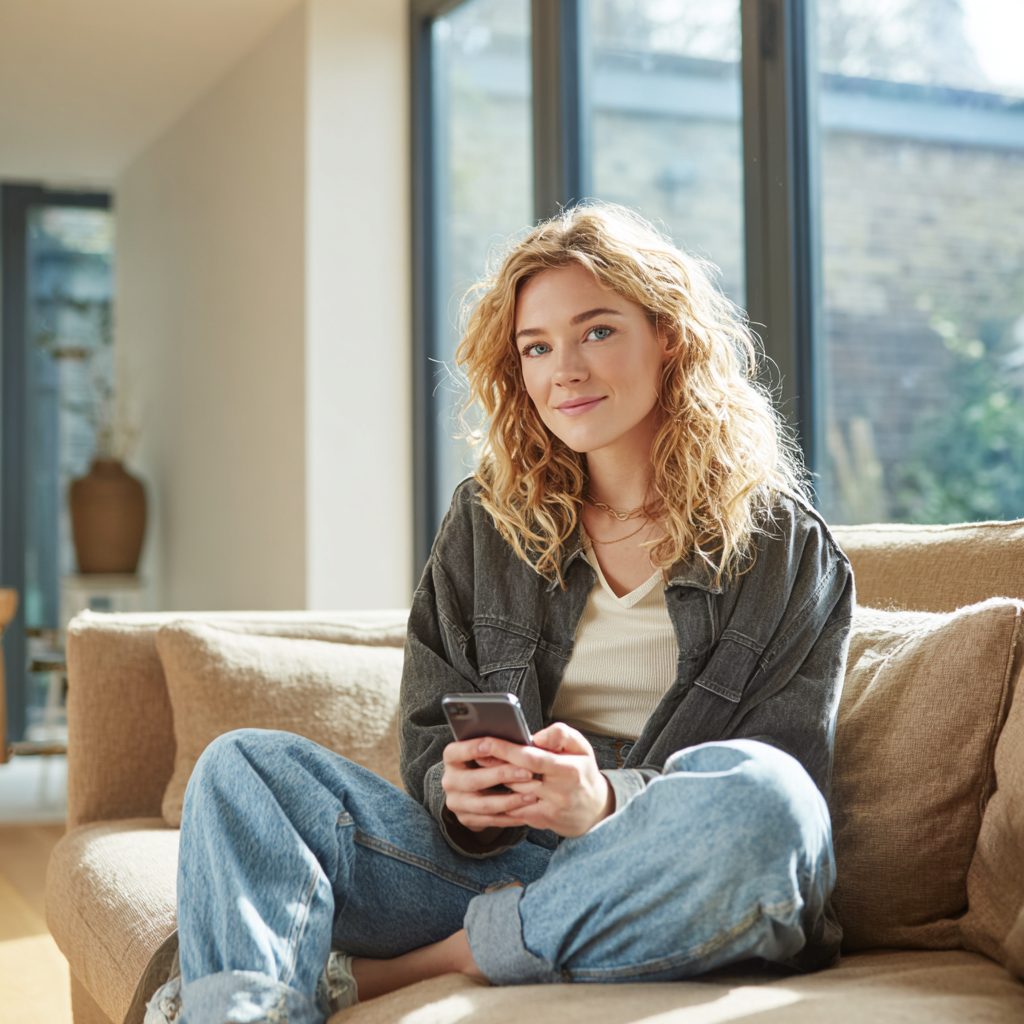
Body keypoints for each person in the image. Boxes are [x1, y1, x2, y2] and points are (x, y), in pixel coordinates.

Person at [146, 202, 853, 1024]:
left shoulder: (785, 551)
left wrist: (606, 801)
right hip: (494, 863)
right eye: (536, 348)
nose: (565, 371)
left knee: (773, 802)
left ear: (667, 335)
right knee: (241, 770)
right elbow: (428, 735)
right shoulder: (486, 521)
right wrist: (461, 792)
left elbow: (779, 779)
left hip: (661, 871)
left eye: (597, 332)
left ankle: (438, 962)